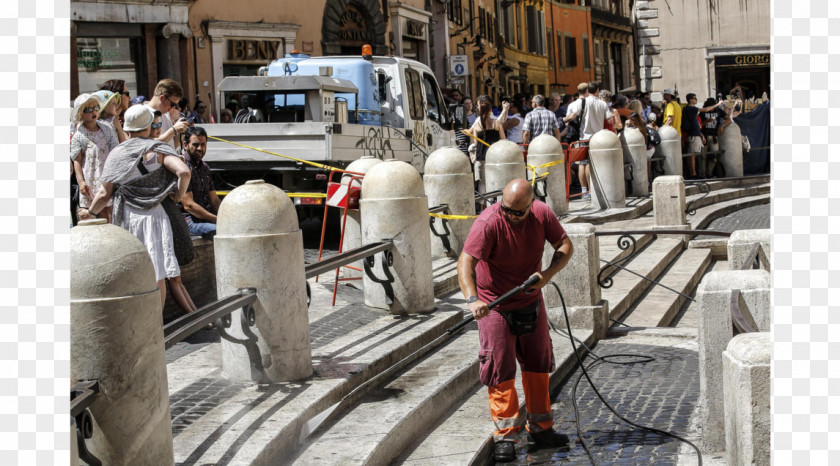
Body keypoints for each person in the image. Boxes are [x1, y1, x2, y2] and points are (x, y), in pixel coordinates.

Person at [457, 179, 574, 463]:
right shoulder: (488, 222)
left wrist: (546, 275)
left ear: (530, 206)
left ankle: (541, 429)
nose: (509, 215)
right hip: (493, 304)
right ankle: (506, 436)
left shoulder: (542, 214)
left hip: (530, 301)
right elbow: (465, 261)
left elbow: (565, 245)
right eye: (506, 209)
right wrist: (473, 300)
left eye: (516, 212)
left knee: (538, 363)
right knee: (500, 369)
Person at [81, 105, 197, 314]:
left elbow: (103, 194)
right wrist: (175, 196)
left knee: (135, 271)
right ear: (148, 125)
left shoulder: (117, 154)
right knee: (158, 272)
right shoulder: (157, 149)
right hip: (156, 215)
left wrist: (89, 213)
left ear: (127, 127)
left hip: (128, 216)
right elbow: (184, 173)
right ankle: (156, 324)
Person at [71, 93, 120, 223]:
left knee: (109, 211)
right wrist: (81, 181)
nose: (93, 112)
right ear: (80, 114)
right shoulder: (79, 135)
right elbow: (77, 160)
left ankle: (111, 238)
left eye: (96, 108)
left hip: (107, 173)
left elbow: (115, 149)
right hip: (91, 177)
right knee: (94, 211)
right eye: (88, 110)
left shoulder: (107, 128)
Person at [563, 82, 613, 201]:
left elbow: (572, 116)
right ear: (597, 90)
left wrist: (562, 119)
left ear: (587, 91)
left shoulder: (581, 102)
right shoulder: (602, 103)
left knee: (583, 164)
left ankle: (585, 190)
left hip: (584, 137)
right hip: (599, 138)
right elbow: (610, 120)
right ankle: (594, 190)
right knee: (596, 164)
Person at [179, 127, 221, 238]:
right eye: (195, 144)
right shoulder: (181, 167)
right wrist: (217, 220)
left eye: (203, 144)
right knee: (223, 231)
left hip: (205, 220)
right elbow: (189, 205)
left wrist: (227, 216)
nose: (200, 148)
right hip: (189, 223)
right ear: (185, 145)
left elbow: (214, 200)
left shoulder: (205, 167)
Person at [463, 95, 508, 195]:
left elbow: (475, 143)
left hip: (481, 157)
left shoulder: (477, 124)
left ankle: (483, 207)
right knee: (496, 180)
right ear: (490, 110)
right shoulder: (497, 123)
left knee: (482, 183)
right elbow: (503, 139)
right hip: (495, 156)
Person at [146, 79, 190, 149]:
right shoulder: (144, 114)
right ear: (162, 98)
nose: (173, 108)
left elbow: (172, 145)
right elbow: (150, 144)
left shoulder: (165, 114)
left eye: (175, 105)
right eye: (172, 104)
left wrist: (180, 131)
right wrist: (174, 130)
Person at [700, 97, 726, 176]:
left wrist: (721, 125)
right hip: (704, 136)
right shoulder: (703, 113)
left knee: (714, 155)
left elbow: (728, 118)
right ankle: (702, 174)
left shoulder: (718, 111)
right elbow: (699, 125)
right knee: (703, 157)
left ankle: (709, 172)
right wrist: (707, 121)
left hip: (714, 136)